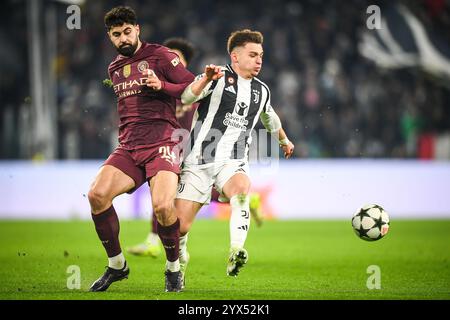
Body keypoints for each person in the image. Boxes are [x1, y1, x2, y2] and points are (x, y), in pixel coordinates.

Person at [126, 38, 265, 258]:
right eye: (167, 57)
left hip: (192, 149)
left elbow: (197, 100)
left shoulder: (193, 83)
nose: (169, 62)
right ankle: (155, 240)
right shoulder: (152, 87)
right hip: (166, 148)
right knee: (164, 194)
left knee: (171, 196)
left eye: (176, 59)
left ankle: (156, 241)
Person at [88, 6, 194, 293]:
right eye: (116, 34)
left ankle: (173, 269)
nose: (122, 38)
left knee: (162, 207)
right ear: (110, 37)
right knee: (97, 195)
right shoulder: (114, 68)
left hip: (163, 142)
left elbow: (190, 85)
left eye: (126, 32)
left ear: (137, 30)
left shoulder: (161, 56)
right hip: (129, 146)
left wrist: (161, 85)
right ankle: (117, 265)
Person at [176, 29, 294, 286]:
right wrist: (205, 80)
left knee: (241, 191)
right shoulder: (216, 76)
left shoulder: (261, 90)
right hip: (199, 160)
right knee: (180, 228)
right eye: (253, 55)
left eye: (261, 55)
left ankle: (236, 251)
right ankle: (178, 265)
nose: (259, 60)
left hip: (234, 161)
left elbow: (269, 117)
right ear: (235, 56)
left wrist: (284, 140)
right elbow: (186, 97)